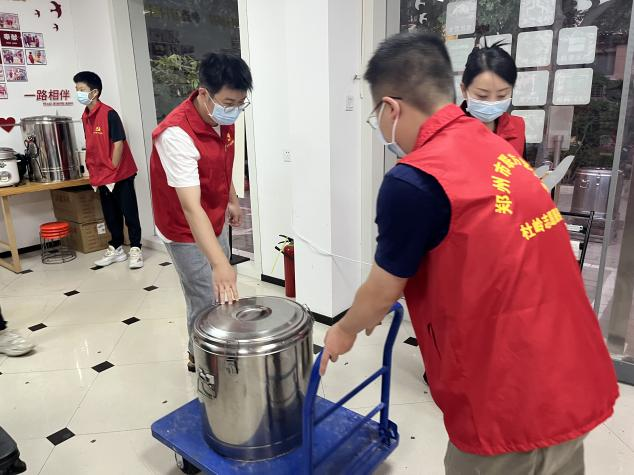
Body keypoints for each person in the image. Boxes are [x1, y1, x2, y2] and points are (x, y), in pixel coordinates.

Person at [320, 32, 618, 475]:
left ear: (391, 108)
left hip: (512, 401)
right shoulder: (494, 147)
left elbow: (383, 290)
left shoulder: (414, 180)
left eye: (375, 116)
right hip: (571, 375)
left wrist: (343, 330)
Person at [150, 53, 252, 372]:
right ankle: (200, 358)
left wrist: (232, 199)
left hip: (214, 214)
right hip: (183, 226)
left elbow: (222, 163)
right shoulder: (175, 134)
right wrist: (220, 263)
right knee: (204, 294)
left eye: (241, 103)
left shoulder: (223, 118)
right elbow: (191, 207)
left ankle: (219, 345)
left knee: (222, 290)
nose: (234, 109)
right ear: (204, 94)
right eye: (229, 102)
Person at [74, 71, 144, 269]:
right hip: (101, 175)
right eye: (77, 89)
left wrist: (112, 168)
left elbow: (118, 143)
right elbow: (92, 145)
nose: (78, 93)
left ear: (94, 92)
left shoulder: (109, 113)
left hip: (120, 173)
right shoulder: (85, 116)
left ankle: (136, 248)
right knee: (110, 214)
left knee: (129, 212)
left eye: (81, 89)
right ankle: (116, 247)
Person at [460, 41, 526, 157]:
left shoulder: (517, 128)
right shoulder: (447, 132)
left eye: (502, 95)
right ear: (464, 90)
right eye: (482, 95)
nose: (492, 103)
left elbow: (521, 166)